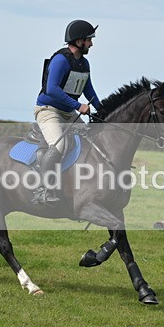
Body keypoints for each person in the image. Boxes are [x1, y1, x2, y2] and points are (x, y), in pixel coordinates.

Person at [32, 20, 103, 204]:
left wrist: (104, 111)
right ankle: (42, 189)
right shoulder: (60, 60)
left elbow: (89, 91)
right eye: (89, 40)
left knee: (90, 140)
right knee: (59, 145)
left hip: (68, 112)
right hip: (48, 110)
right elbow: (52, 89)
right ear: (78, 40)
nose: (91, 44)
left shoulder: (84, 63)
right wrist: (78, 106)